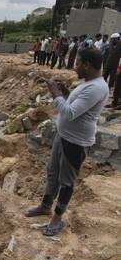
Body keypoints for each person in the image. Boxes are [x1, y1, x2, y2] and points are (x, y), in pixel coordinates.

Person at [24, 49, 109, 236]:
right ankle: (45, 206)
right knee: (52, 172)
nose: (75, 66)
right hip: (63, 136)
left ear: (87, 65)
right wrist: (66, 93)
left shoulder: (96, 87)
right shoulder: (88, 83)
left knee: (66, 182)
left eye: (77, 63)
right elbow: (78, 105)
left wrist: (55, 94)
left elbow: (70, 113)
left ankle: (57, 219)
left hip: (76, 142)